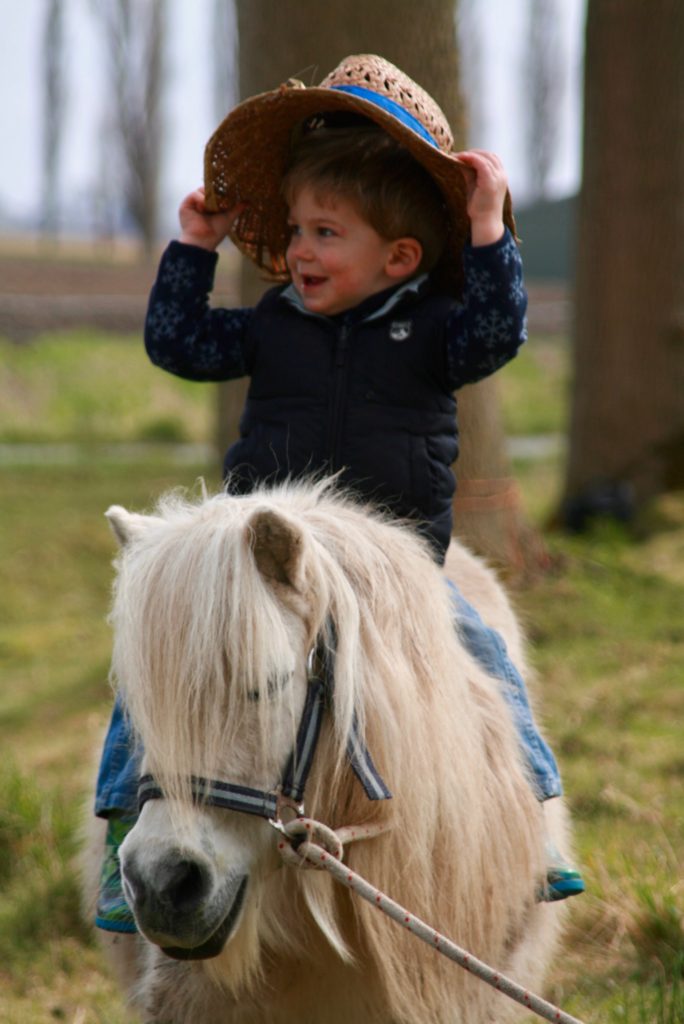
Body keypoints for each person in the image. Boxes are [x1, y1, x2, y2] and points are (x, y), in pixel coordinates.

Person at [94, 55, 584, 933]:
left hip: (392, 570)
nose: (299, 250)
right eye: (294, 229)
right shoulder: (277, 325)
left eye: (325, 232)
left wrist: (486, 229)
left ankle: (532, 825)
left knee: (482, 657)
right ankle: (124, 835)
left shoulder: (435, 332)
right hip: (266, 565)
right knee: (151, 681)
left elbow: (499, 331)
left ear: (397, 254)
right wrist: (193, 249)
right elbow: (179, 346)